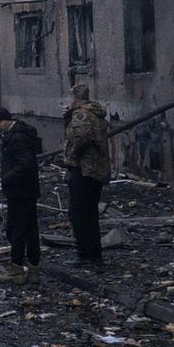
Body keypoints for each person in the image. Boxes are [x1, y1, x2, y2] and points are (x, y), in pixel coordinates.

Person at [0, 106, 42, 283]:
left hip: (20, 190)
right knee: (30, 230)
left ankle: (16, 270)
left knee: (16, 229)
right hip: (27, 190)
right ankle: (33, 269)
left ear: (6, 120)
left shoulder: (17, 137)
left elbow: (26, 164)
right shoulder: (20, 133)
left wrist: (7, 178)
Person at [63, 83, 112, 270]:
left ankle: (85, 254)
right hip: (96, 170)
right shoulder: (96, 113)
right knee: (90, 213)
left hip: (84, 169)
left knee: (79, 214)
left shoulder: (81, 114)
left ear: (74, 99)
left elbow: (81, 137)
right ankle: (94, 255)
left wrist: (73, 155)